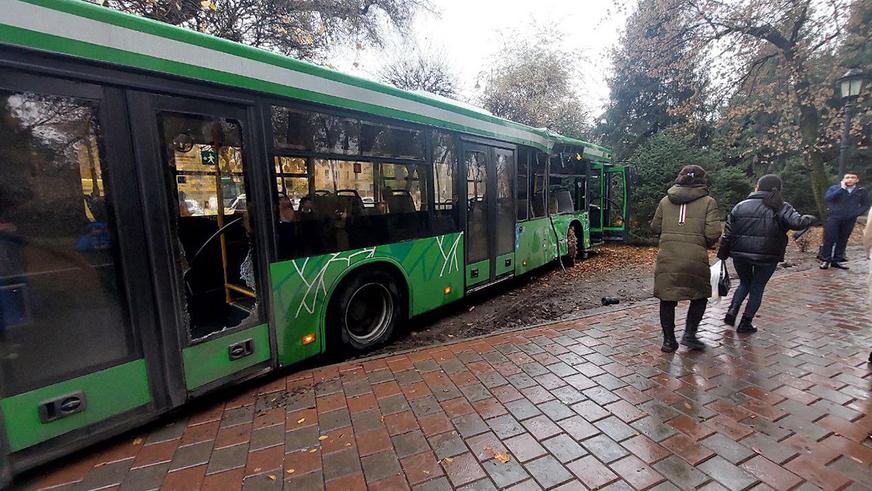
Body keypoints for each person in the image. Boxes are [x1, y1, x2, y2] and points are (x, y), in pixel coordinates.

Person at [717, 175, 816, 333]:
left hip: (740, 254)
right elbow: (798, 223)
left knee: (744, 283)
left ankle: (732, 311)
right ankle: (745, 322)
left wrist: (723, 253)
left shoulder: (740, 206)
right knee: (757, 286)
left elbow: (728, 232)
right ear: (778, 189)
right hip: (768, 255)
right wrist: (808, 219)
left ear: (758, 187)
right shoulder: (782, 207)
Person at [651, 165, 721, 352]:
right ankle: (689, 335)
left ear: (680, 178)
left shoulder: (666, 201)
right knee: (699, 296)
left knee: (667, 298)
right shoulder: (708, 202)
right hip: (695, 258)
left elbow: (655, 226)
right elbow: (713, 232)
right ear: (702, 180)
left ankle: (668, 341)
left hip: (668, 256)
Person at [820, 172, 870, 270]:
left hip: (849, 219)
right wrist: (842, 189)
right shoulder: (835, 188)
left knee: (843, 239)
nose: (850, 179)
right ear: (843, 179)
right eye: (847, 177)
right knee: (829, 238)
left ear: (857, 180)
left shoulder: (861, 191)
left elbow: (865, 205)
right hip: (834, 218)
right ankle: (826, 260)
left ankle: (837, 260)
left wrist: (856, 213)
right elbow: (828, 198)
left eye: (853, 177)